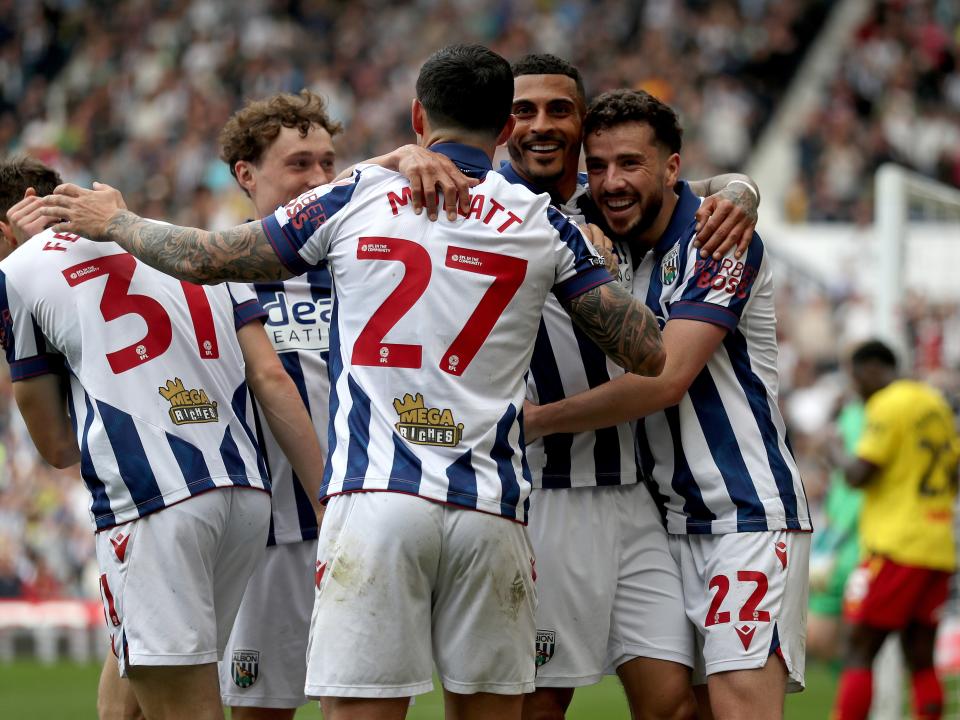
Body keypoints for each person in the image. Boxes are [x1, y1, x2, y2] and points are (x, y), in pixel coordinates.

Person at [40, 44, 667, 720]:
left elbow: (210, 258)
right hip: (491, 507)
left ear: (418, 116)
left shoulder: (360, 194)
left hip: (376, 500)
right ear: (506, 130)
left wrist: (118, 223)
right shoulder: (541, 224)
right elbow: (647, 352)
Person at [0, 155, 326, 720]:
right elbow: (270, 376)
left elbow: (55, 448)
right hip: (245, 496)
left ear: (8, 224)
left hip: (153, 502)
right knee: (130, 694)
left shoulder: (20, 270)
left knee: (184, 709)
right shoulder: (181, 241)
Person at [523, 89, 812, 720]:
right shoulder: (611, 237)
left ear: (673, 168)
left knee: (740, 710)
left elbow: (666, 378)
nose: (611, 182)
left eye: (630, 163)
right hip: (664, 520)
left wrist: (536, 423)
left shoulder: (719, 237)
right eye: (596, 167)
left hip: (744, 512)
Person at [216, 89, 341, 720]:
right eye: (299, 164)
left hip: (367, 523)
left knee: (367, 703)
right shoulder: (219, 272)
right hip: (275, 535)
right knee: (263, 710)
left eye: (328, 163)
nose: (319, 179)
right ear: (246, 174)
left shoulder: (356, 262)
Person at [829, 340, 958, 720]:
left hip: (897, 545)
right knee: (920, 656)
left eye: (857, 379)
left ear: (871, 369)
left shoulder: (888, 403)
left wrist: (832, 450)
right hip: (937, 544)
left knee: (859, 647)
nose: (857, 390)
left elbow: (858, 474)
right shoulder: (935, 403)